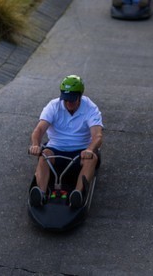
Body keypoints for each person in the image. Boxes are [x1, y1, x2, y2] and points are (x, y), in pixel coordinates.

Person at [28, 75, 103, 209]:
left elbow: (97, 136)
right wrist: (35, 145)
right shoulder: (53, 106)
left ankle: (78, 195)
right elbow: (39, 130)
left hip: (80, 153)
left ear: (80, 96)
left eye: (72, 99)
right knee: (44, 155)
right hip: (56, 149)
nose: (68, 103)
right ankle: (41, 193)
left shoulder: (90, 108)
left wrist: (90, 149)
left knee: (92, 159)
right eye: (66, 99)